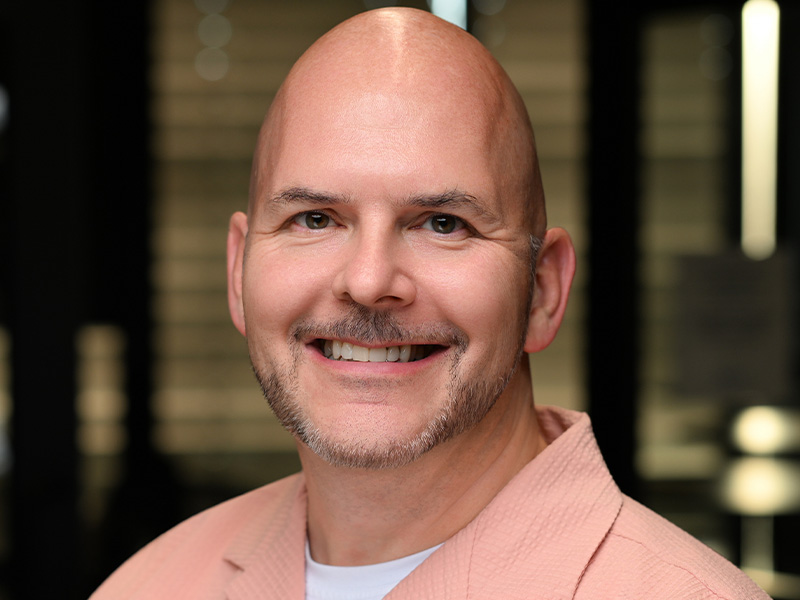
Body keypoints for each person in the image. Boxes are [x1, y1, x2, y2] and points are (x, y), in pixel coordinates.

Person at [91, 7, 770, 599]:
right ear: (239, 268)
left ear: (543, 289)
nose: (367, 281)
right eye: (314, 218)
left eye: (443, 224)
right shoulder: (150, 584)